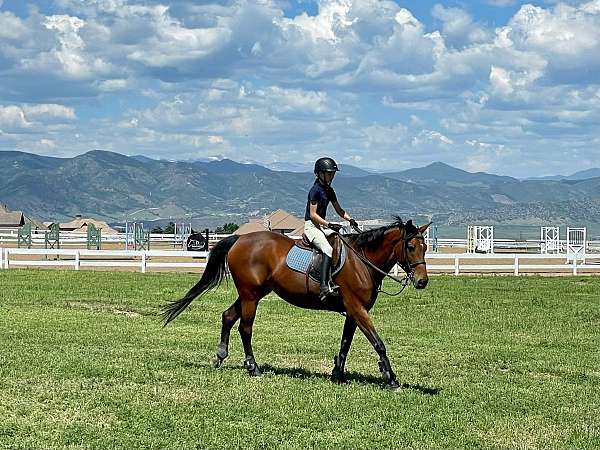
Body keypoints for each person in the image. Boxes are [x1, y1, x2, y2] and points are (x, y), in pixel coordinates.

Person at [304, 157, 359, 301]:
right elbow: (313, 215)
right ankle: (323, 287)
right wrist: (329, 225)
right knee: (328, 249)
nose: (332, 176)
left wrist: (350, 219)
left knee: (339, 238)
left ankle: (336, 276)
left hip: (321, 226)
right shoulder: (315, 190)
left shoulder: (329, 190)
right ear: (320, 174)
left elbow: (340, 210)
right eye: (329, 173)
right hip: (311, 227)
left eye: (333, 173)